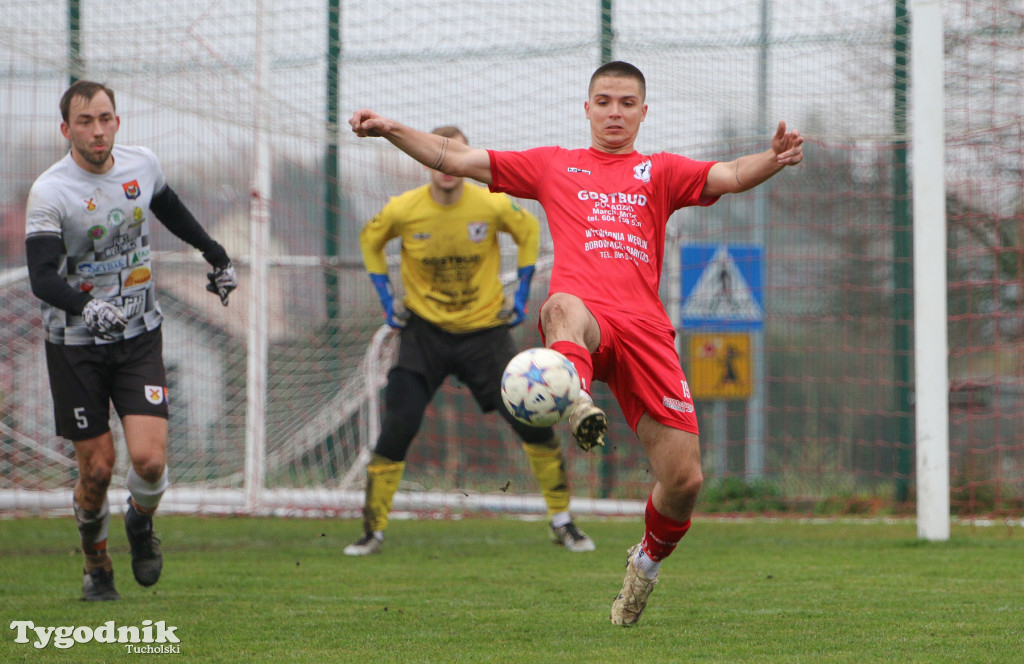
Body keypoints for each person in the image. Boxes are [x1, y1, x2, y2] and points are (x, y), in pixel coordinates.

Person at [348, 61, 803, 625]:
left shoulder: (658, 172)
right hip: (584, 317)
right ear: (586, 108)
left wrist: (774, 159)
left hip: (646, 330)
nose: (615, 111)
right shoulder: (552, 165)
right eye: (605, 101)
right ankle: (576, 397)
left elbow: (730, 174)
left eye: (627, 102)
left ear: (643, 112)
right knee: (560, 306)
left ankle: (646, 562)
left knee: (684, 481)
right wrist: (392, 128)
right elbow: (455, 159)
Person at [25, 80, 238, 601]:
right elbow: (41, 277)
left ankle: (140, 525)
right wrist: (86, 305)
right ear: (66, 130)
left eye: (105, 118)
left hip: (139, 334)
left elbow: (169, 210)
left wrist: (217, 255)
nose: (97, 131)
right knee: (96, 469)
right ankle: (97, 566)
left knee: (149, 462)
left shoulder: (142, 166)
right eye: (85, 121)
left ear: (117, 121)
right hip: (75, 345)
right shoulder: (51, 191)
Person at [344, 125, 595, 557]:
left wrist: (521, 292)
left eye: (456, 154)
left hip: (485, 335)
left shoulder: (490, 202)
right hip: (424, 334)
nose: (447, 165)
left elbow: (530, 232)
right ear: (428, 162)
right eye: (439, 155)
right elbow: (370, 240)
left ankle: (562, 520)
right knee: (398, 427)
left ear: (463, 160)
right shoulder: (403, 210)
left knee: (533, 421)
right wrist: (387, 299)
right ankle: (372, 530)